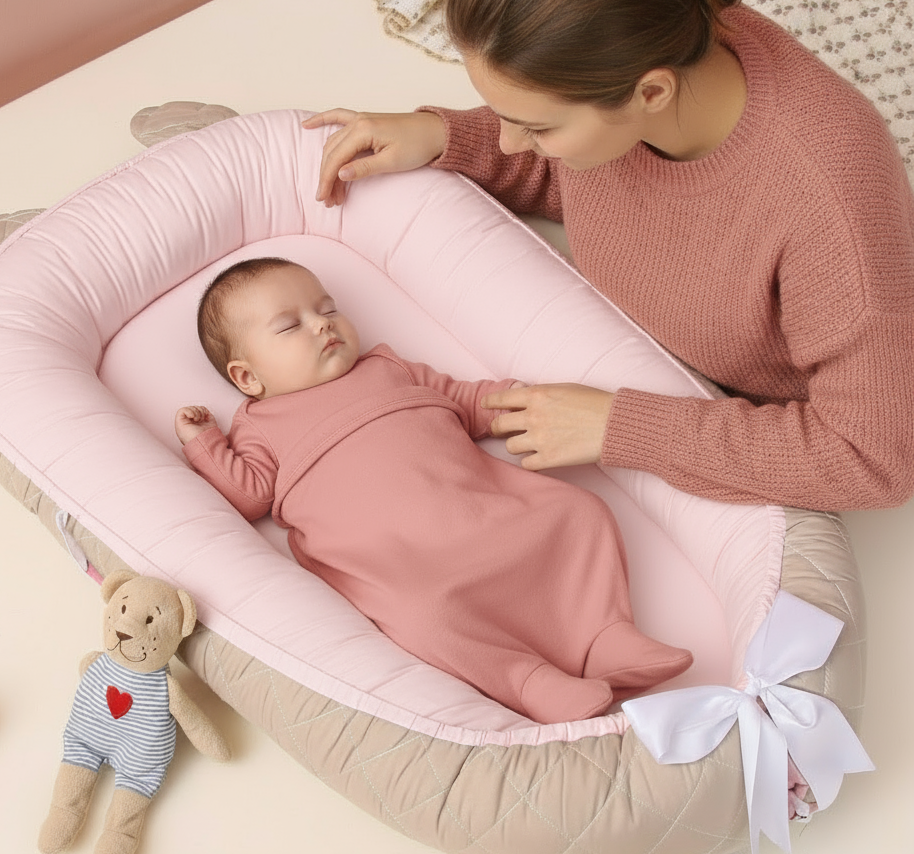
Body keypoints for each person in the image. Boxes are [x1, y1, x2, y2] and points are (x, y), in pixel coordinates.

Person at [302, 0, 914, 512]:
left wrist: (619, 427)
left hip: (766, 429)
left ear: (650, 94)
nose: (512, 143)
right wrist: (449, 135)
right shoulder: (645, 58)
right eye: (503, 115)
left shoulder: (830, 207)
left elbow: (874, 456)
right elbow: (595, 186)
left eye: (537, 128)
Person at [175, 257, 692, 724]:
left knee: (579, 512)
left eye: (326, 308)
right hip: (400, 566)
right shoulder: (261, 425)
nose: (322, 324)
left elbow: (463, 400)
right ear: (247, 377)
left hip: (485, 511)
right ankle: (529, 682)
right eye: (290, 325)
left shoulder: (387, 368)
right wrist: (205, 443)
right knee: (422, 622)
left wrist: (515, 399)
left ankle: (606, 637)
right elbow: (248, 495)